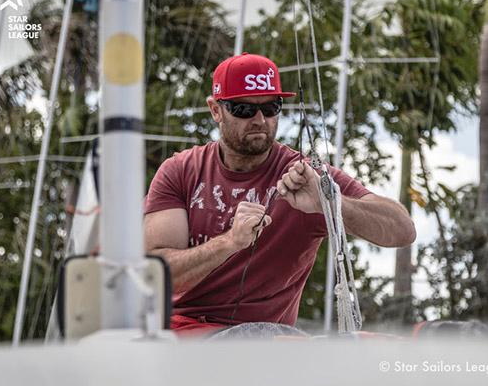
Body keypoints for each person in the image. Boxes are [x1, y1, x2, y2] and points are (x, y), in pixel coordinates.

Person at [144, 53, 416, 336]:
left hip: (269, 342)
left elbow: (403, 230)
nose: (260, 120)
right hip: (184, 333)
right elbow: (153, 276)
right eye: (244, 109)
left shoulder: (304, 175)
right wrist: (229, 243)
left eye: (272, 107)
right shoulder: (180, 171)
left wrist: (329, 202)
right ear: (215, 110)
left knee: (380, 349)